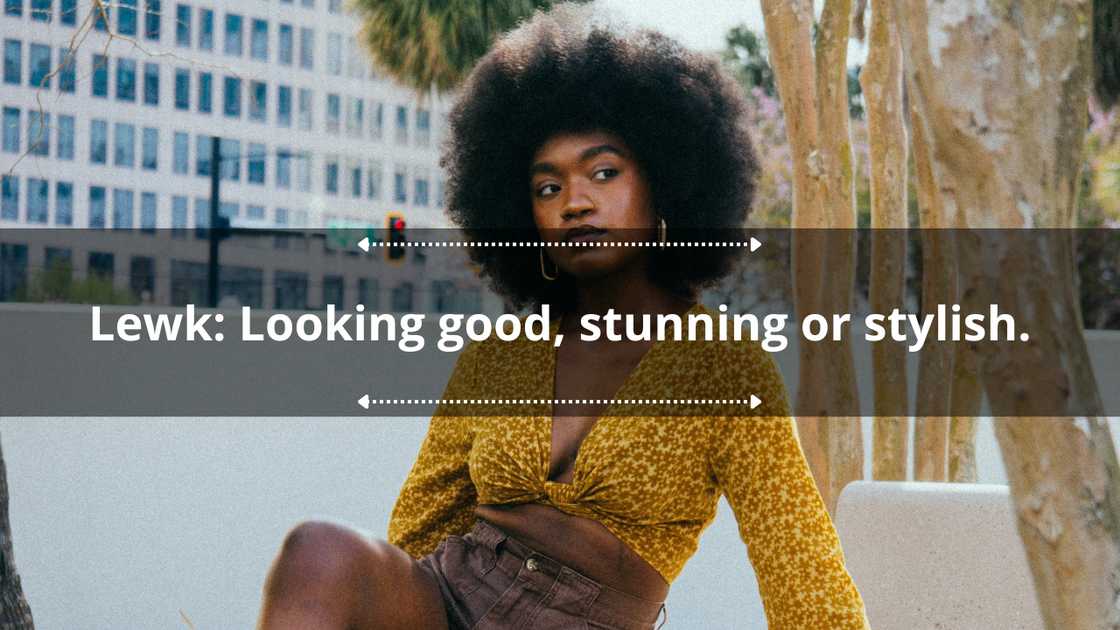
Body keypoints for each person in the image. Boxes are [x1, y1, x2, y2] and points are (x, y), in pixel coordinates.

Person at [256, 6, 869, 629]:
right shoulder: (499, 355)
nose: (575, 202)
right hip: (448, 597)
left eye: (604, 173)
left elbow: (802, 570)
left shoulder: (724, 369)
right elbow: (416, 533)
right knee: (321, 549)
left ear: (665, 186)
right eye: (547, 188)